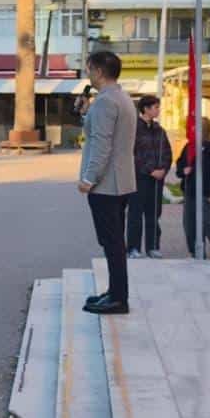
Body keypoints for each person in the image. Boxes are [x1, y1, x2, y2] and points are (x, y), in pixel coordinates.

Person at [78, 50, 136, 315]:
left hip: (105, 184)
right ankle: (115, 292)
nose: (88, 73)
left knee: (111, 242)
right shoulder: (121, 98)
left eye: (89, 68)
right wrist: (85, 115)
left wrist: (89, 178)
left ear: (99, 71)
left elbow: (102, 145)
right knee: (115, 242)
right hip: (121, 181)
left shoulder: (105, 102)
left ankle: (118, 298)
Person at [175, 118, 210, 260]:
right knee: (190, 225)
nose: (192, 131)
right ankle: (196, 254)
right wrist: (183, 170)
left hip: (208, 194)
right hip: (191, 193)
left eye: (195, 128)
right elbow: (180, 165)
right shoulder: (190, 146)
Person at [127, 95, 172, 259]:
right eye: (155, 107)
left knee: (154, 214)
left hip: (157, 180)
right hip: (139, 178)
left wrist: (163, 170)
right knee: (135, 214)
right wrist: (150, 170)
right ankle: (133, 248)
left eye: (158, 107)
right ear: (145, 109)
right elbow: (132, 154)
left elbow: (167, 152)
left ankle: (152, 247)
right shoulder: (133, 129)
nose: (158, 110)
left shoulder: (160, 131)